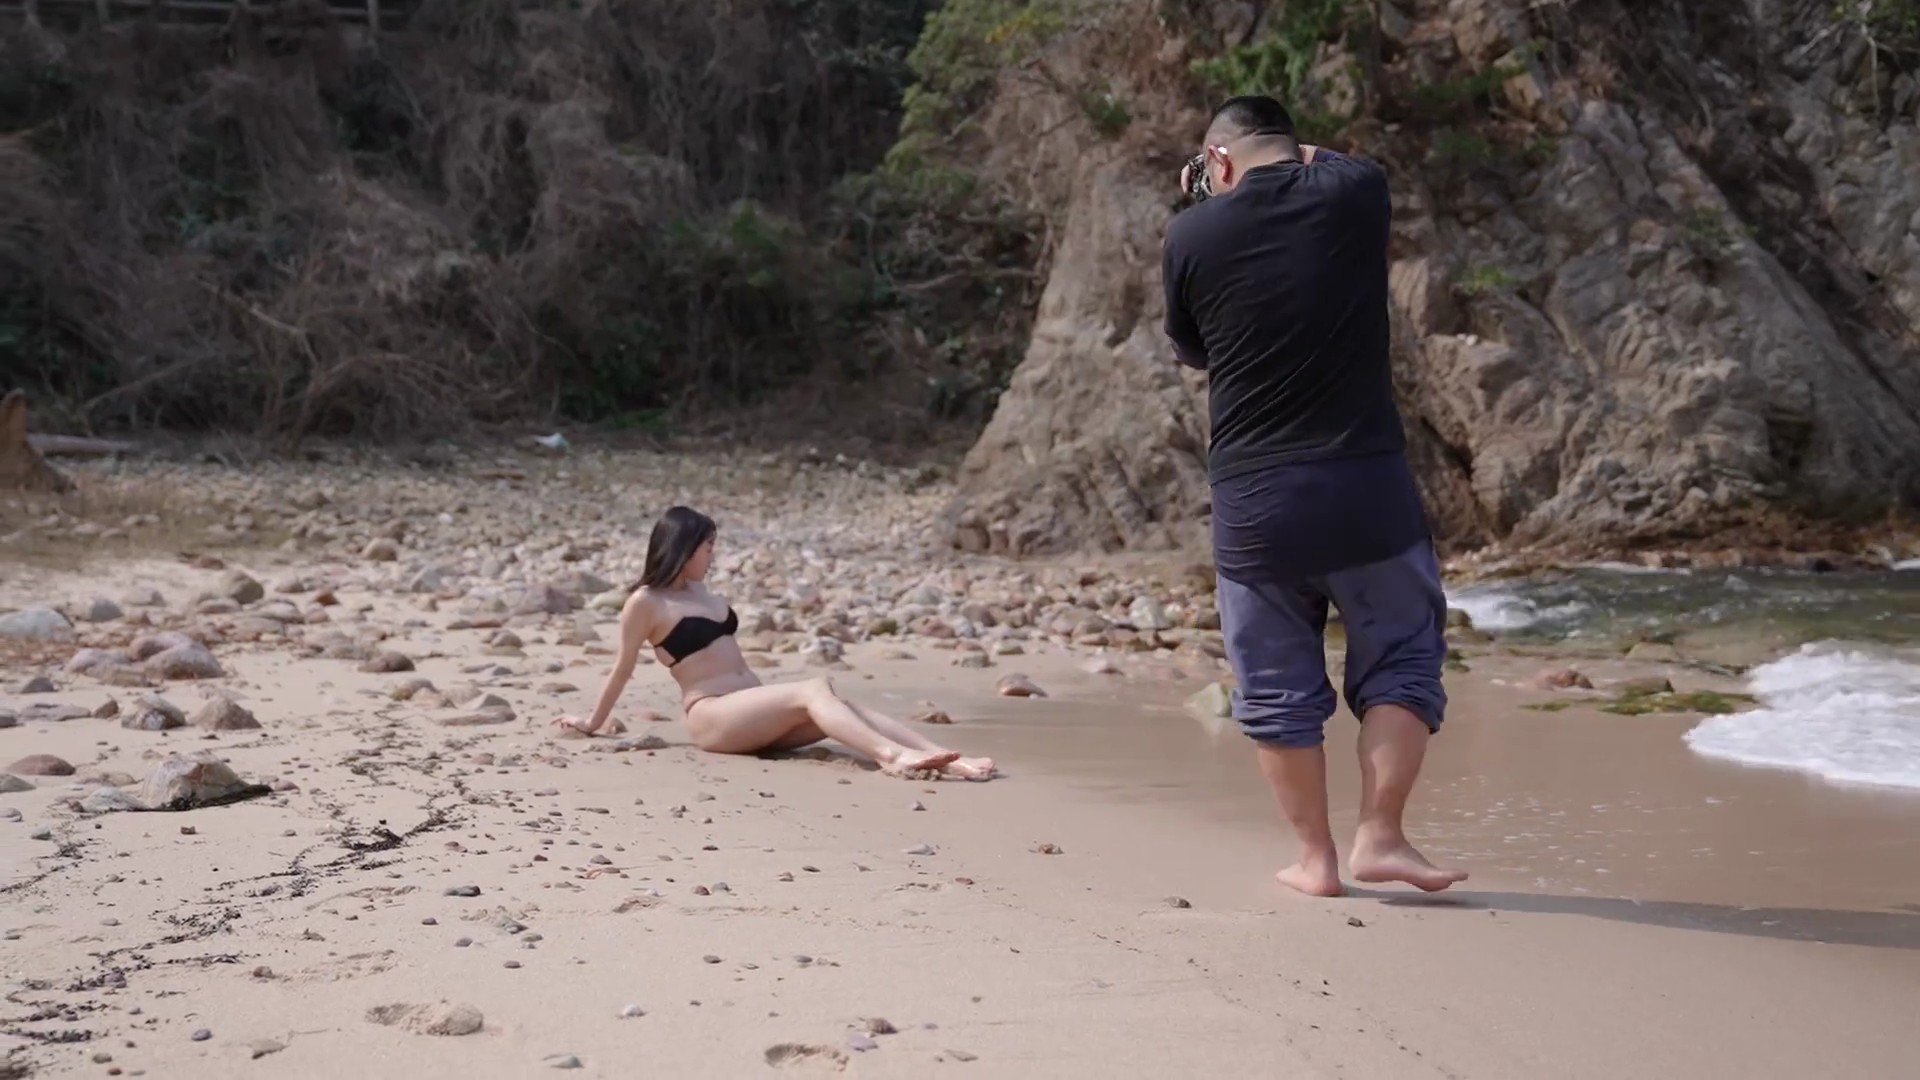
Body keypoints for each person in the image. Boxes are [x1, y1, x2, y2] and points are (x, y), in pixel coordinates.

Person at [1162, 95, 1466, 896]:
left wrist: (1208, 189)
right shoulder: (1356, 191)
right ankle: (1382, 836)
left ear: (1217, 161)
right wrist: (1251, 162)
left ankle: (1315, 859)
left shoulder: (1190, 234)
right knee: (1402, 659)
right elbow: (1317, 162)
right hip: (1366, 485)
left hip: (1255, 499)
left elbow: (1194, 349)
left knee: (1274, 686)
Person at [551, 506, 997, 781]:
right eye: (707, 548)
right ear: (683, 548)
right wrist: (592, 722)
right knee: (814, 688)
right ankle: (892, 755)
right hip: (714, 718)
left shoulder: (703, 593)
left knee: (845, 706)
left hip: (752, 713)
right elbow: (623, 667)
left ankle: (943, 759)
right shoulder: (646, 602)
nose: (712, 556)